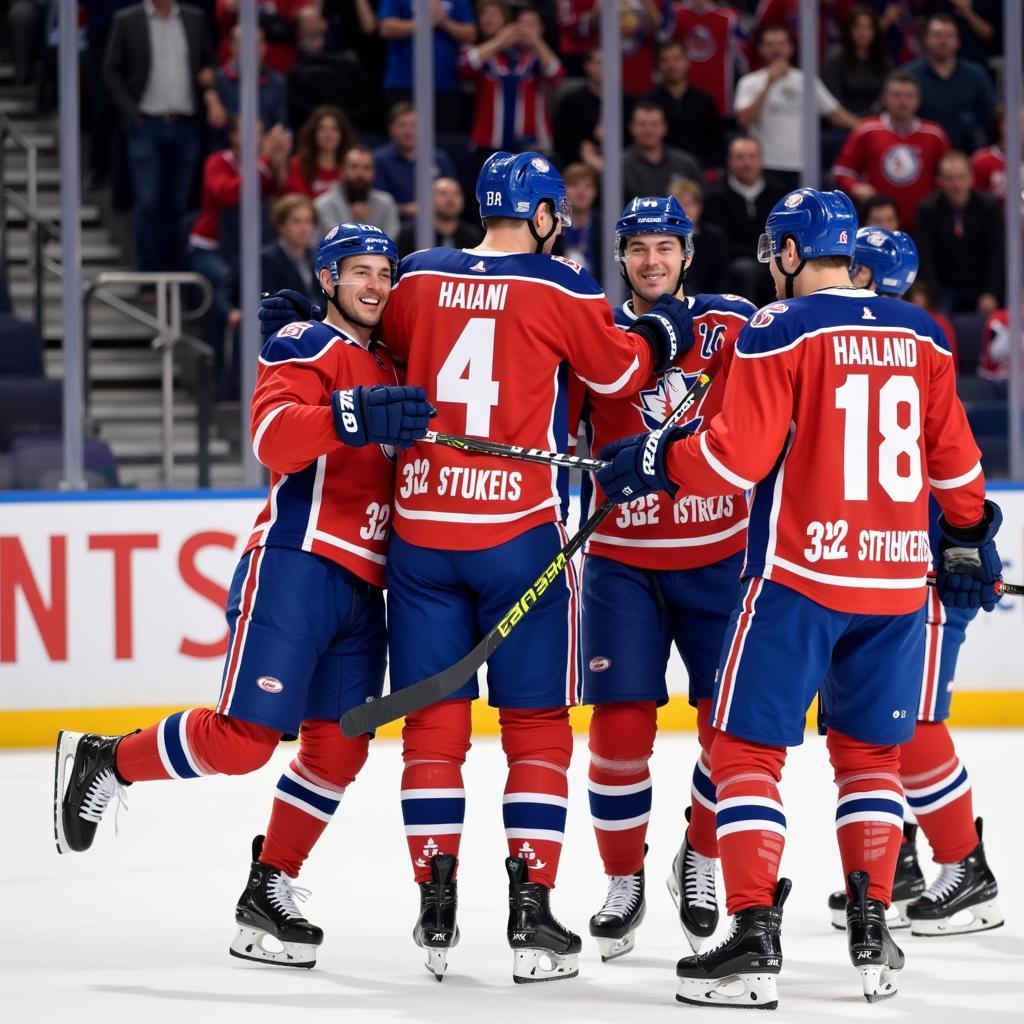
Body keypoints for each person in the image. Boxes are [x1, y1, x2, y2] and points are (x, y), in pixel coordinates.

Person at [258, 150, 694, 984]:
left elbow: (371, 339)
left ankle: (435, 906)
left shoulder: (415, 275)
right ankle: (531, 919)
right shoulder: (563, 283)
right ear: (539, 216)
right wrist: (653, 331)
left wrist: (315, 324)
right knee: (533, 728)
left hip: (422, 535)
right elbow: (622, 377)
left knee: (434, 728)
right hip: (516, 533)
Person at [594, 187, 1003, 1008]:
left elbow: (735, 459)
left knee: (746, 754)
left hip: (796, 581)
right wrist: (967, 536)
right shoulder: (925, 332)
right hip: (890, 586)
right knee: (872, 760)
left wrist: (655, 462)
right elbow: (957, 466)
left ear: (785, 253)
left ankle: (749, 938)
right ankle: (872, 933)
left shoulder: (781, 326)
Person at [53, 225, 434, 973]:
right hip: (298, 564)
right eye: (358, 271)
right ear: (328, 279)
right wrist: (347, 416)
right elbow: (271, 438)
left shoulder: (391, 356)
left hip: (367, 584)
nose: (375, 284)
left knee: (338, 747)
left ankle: (270, 888)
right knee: (245, 741)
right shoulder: (303, 344)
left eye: (384, 272)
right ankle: (108, 759)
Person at [578, 195, 754, 963]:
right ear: (621, 256)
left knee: (729, 732)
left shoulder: (738, 323)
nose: (652, 260)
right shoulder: (597, 334)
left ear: (689, 254)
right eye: (639, 248)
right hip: (622, 562)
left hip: (723, 557)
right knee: (620, 731)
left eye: (666, 247)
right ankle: (623, 878)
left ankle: (702, 855)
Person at [823, 226, 1003, 937]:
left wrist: (963, 545)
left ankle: (967, 869)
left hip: (918, 568)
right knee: (867, 719)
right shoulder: (913, 342)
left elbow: (951, 466)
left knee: (915, 721)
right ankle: (894, 859)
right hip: (882, 567)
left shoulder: (879, 348)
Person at [102, 0, 226, 272]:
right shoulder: (127, 19)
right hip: (146, 123)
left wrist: (209, 79)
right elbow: (111, 69)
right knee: (148, 203)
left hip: (186, 123)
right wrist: (130, 111)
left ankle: (175, 271)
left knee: (178, 204)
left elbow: (209, 62)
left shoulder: (194, 18)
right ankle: (148, 273)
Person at [187, 116, 291, 396]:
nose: (256, 139)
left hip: (248, 251)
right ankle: (221, 381)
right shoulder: (219, 162)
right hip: (211, 247)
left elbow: (285, 202)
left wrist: (279, 166)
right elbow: (229, 194)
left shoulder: (265, 165)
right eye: (248, 132)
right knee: (232, 290)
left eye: (259, 132)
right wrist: (265, 163)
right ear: (232, 135)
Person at [734, 24, 858, 190]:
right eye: (770, 44)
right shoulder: (750, 82)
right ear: (761, 49)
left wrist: (868, 126)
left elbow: (836, 113)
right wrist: (769, 82)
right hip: (766, 164)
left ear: (791, 48)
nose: (776, 49)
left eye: (781, 44)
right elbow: (744, 119)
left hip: (803, 165)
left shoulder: (806, 80)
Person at [832, 71, 950, 231]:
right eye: (896, 95)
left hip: (924, 224)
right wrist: (856, 187)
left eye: (909, 96)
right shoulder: (867, 130)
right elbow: (842, 171)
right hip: (878, 224)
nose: (903, 101)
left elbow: (947, 176)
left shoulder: (934, 134)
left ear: (918, 101)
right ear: (886, 98)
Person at [460, 4, 564, 160]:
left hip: (531, 144)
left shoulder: (537, 59)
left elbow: (556, 74)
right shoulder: (486, 54)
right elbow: (465, 66)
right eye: (521, 25)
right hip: (488, 143)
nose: (525, 31)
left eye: (531, 26)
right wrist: (500, 41)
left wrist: (536, 41)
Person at [915, 151, 1004, 316]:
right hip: (944, 286)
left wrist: (990, 292)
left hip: (980, 285)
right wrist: (934, 295)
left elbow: (996, 253)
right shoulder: (927, 209)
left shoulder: (989, 207)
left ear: (972, 178)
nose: (956, 185)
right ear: (939, 181)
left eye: (961, 177)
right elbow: (925, 256)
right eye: (949, 179)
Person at [702, 136, 786, 307]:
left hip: (773, 256)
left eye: (752, 156)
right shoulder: (715, 196)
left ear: (761, 160)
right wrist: (761, 255)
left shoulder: (779, 193)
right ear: (730, 162)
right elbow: (721, 241)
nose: (747, 163)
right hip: (735, 259)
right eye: (740, 157)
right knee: (746, 269)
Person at [901, 13, 994, 154]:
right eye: (937, 35)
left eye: (949, 35)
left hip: (966, 158)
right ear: (926, 40)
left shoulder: (975, 75)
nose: (943, 41)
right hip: (920, 155)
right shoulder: (909, 76)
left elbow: (990, 116)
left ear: (958, 41)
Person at [377, 0, 477, 132]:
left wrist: (444, 21)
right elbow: (386, 28)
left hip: (447, 85)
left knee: (448, 140)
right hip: (403, 83)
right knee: (406, 134)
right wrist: (424, 22)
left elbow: (471, 34)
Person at [286, 5, 380, 132]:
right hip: (311, 130)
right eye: (310, 22)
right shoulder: (297, 72)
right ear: (299, 29)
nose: (317, 26)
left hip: (351, 126)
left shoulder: (347, 65)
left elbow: (367, 103)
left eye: (318, 20)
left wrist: (342, 122)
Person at [644, 40, 723, 171]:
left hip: (699, 171)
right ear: (658, 66)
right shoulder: (648, 102)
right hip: (657, 171)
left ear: (687, 62)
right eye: (665, 60)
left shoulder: (705, 101)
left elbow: (717, 142)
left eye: (676, 59)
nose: (671, 65)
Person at [373, 103, 456, 222]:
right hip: (396, 223)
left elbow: (453, 194)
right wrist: (404, 209)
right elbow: (375, 202)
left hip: (435, 223)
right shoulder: (379, 160)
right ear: (391, 129)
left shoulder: (438, 158)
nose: (408, 131)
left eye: (413, 125)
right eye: (402, 125)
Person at [665, 0, 743, 118]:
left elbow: (743, 58)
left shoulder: (729, 18)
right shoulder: (675, 15)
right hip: (680, 100)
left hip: (718, 101)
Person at [314, 145, 401, 243]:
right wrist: (355, 222)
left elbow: (389, 240)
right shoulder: (323, 204)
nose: (360, 173)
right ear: (341, 171)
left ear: (374, 172)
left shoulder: (386, 203)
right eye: (354, 167)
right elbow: (334, 241)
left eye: (367, 167)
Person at [622, 101, 702, 206]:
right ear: (631, 128)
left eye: (655, 124)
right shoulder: (619, 167)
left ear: (664, 127)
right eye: (642, 124)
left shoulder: (686, 164)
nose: (649, 130)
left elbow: (700, 201)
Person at [821, 4, 891, 117]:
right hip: (839, 125)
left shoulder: (884, 60)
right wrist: (855, 124)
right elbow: (831, 101)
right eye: (858, 27)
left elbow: (885, 98)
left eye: (868, 27)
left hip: (875, 124)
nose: (863, 32)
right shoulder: (835, 58)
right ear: (849, 29)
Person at [215, 25, 288, 132]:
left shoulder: (277, 82)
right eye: (247, 43)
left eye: (260, 43)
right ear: (232, 46)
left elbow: (282, 125)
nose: (255, 49)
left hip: (267, 145)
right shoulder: (219, 81)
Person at [670, 178, 731, 298]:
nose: (684, 210)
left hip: (710, 301)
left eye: (689, 204)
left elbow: (723, 278)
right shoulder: (665, 240)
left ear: (699, 207)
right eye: (679, 205)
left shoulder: (715, 236)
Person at [396, 177, 483, 257]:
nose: (450, 199)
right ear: (429, 198)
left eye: (456, 194)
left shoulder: (473, 236)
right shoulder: (410, 234)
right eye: (443, 193)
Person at [282, 104, 355, 199]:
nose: (328, 134)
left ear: (342, 134)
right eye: (322, 128)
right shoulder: (297, 165)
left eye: (334, 129)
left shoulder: (352, 166)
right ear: (313, 133)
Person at [260, 193, 319, 304]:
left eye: (308, 221)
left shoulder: (316, 257)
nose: (304, 228)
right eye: (296, 221)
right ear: (281, 226)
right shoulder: (268, 259)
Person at [552, 47, 603, 170]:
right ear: (587, 66)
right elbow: (562, 141)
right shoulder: (571, 101)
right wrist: (584, 154)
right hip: (578, 163)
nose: (604, 68)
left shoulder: (625, 100)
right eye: (599, 63)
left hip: (617, 163)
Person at [971, 105, 1024, 207]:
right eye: (1018, 121)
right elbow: (973, 203)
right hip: (996, 221)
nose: (1021, 128)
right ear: (1001, 124)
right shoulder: (982, 161)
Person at [557, 163, 602, 279]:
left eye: (588, 186)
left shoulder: (603, 226)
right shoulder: (551, 225)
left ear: (595, 192)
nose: (581, 191)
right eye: (574, 184)